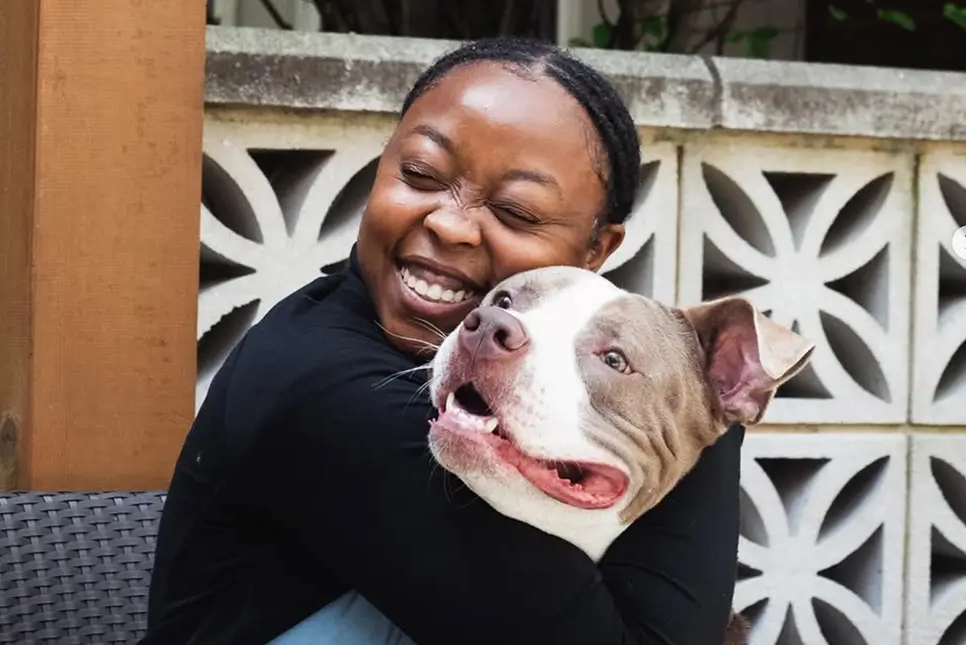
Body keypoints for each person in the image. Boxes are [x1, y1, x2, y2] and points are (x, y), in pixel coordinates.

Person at [141, 37, 743, 645]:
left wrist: (690, 372)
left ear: (597, 252)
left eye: (517, 212)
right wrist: (699, 385)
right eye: (419, 174)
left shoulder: (515, 402)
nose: (448, 223)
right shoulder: (326, 388)